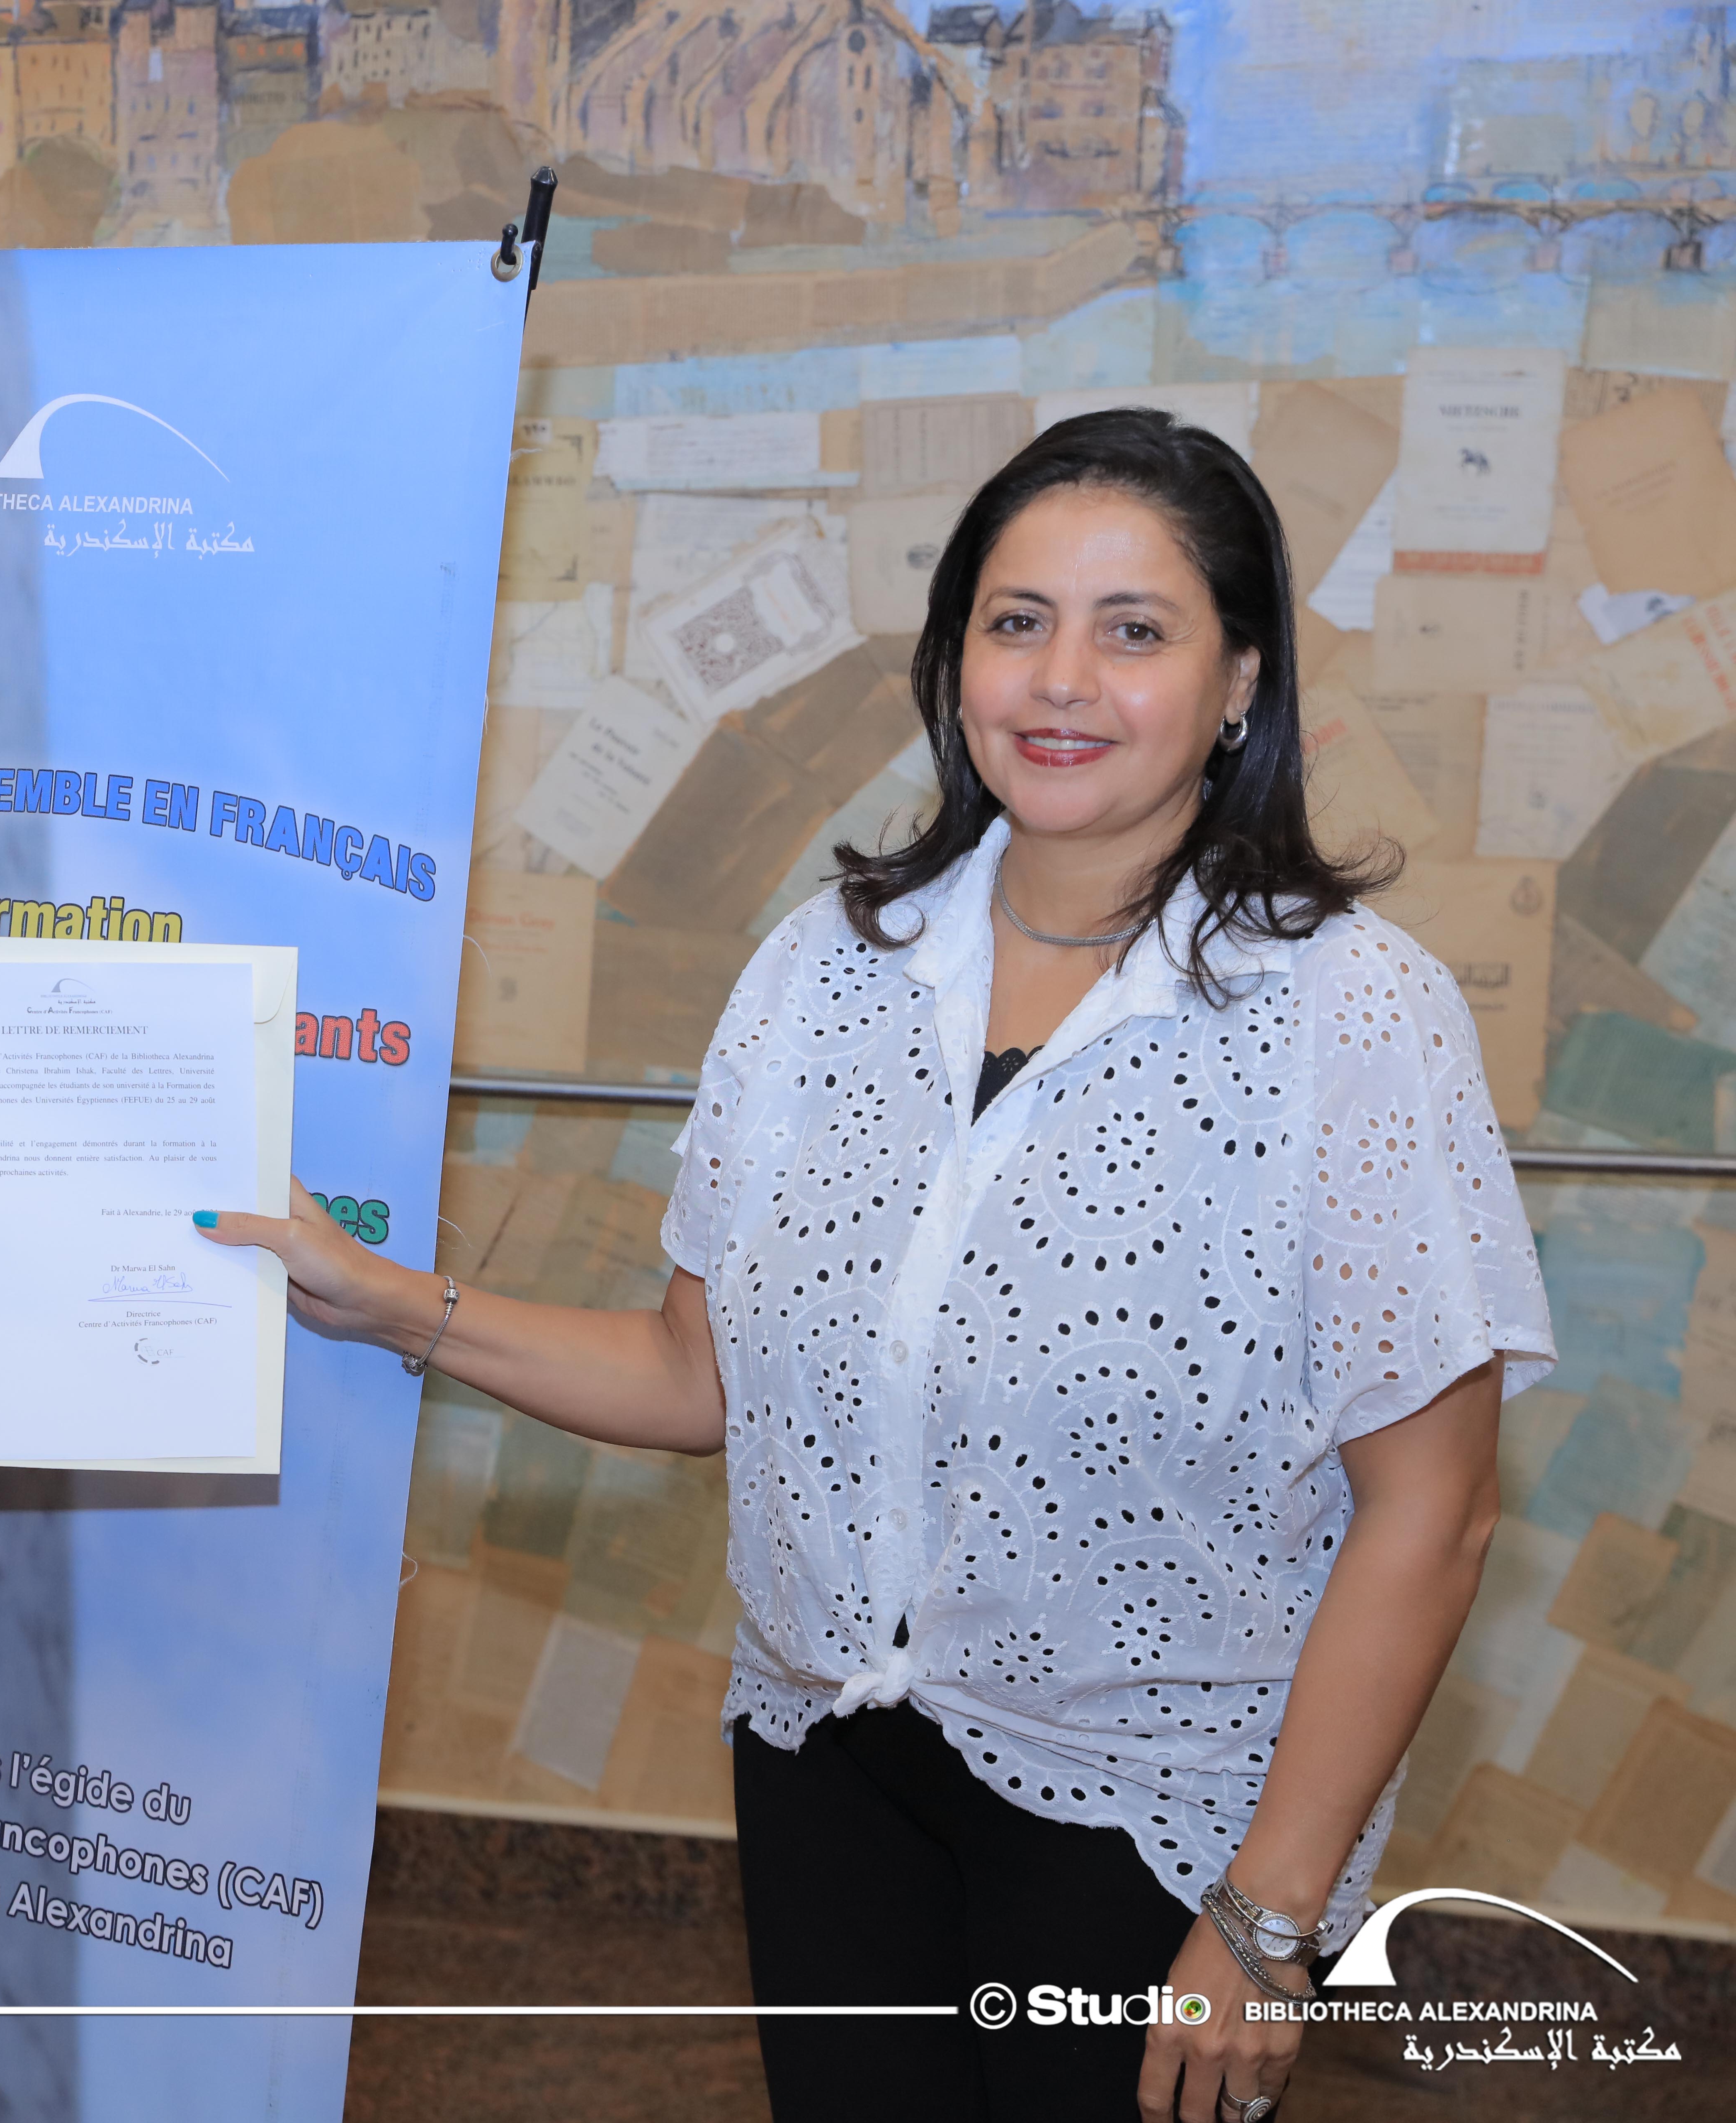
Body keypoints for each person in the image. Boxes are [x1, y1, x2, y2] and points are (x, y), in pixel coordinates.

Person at [202, 409, 1554, 2123]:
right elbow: (695, 1374)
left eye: (1134, 630)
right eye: (1017, 621)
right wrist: (394, 1302)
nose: (1061, 680)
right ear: (955, 658)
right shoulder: (825, 970)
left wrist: (1269, 1917)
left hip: (1156, 1826)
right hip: (825, 1766)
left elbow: (1432, 1513)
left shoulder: (1351, 1014)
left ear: (1239, 683)